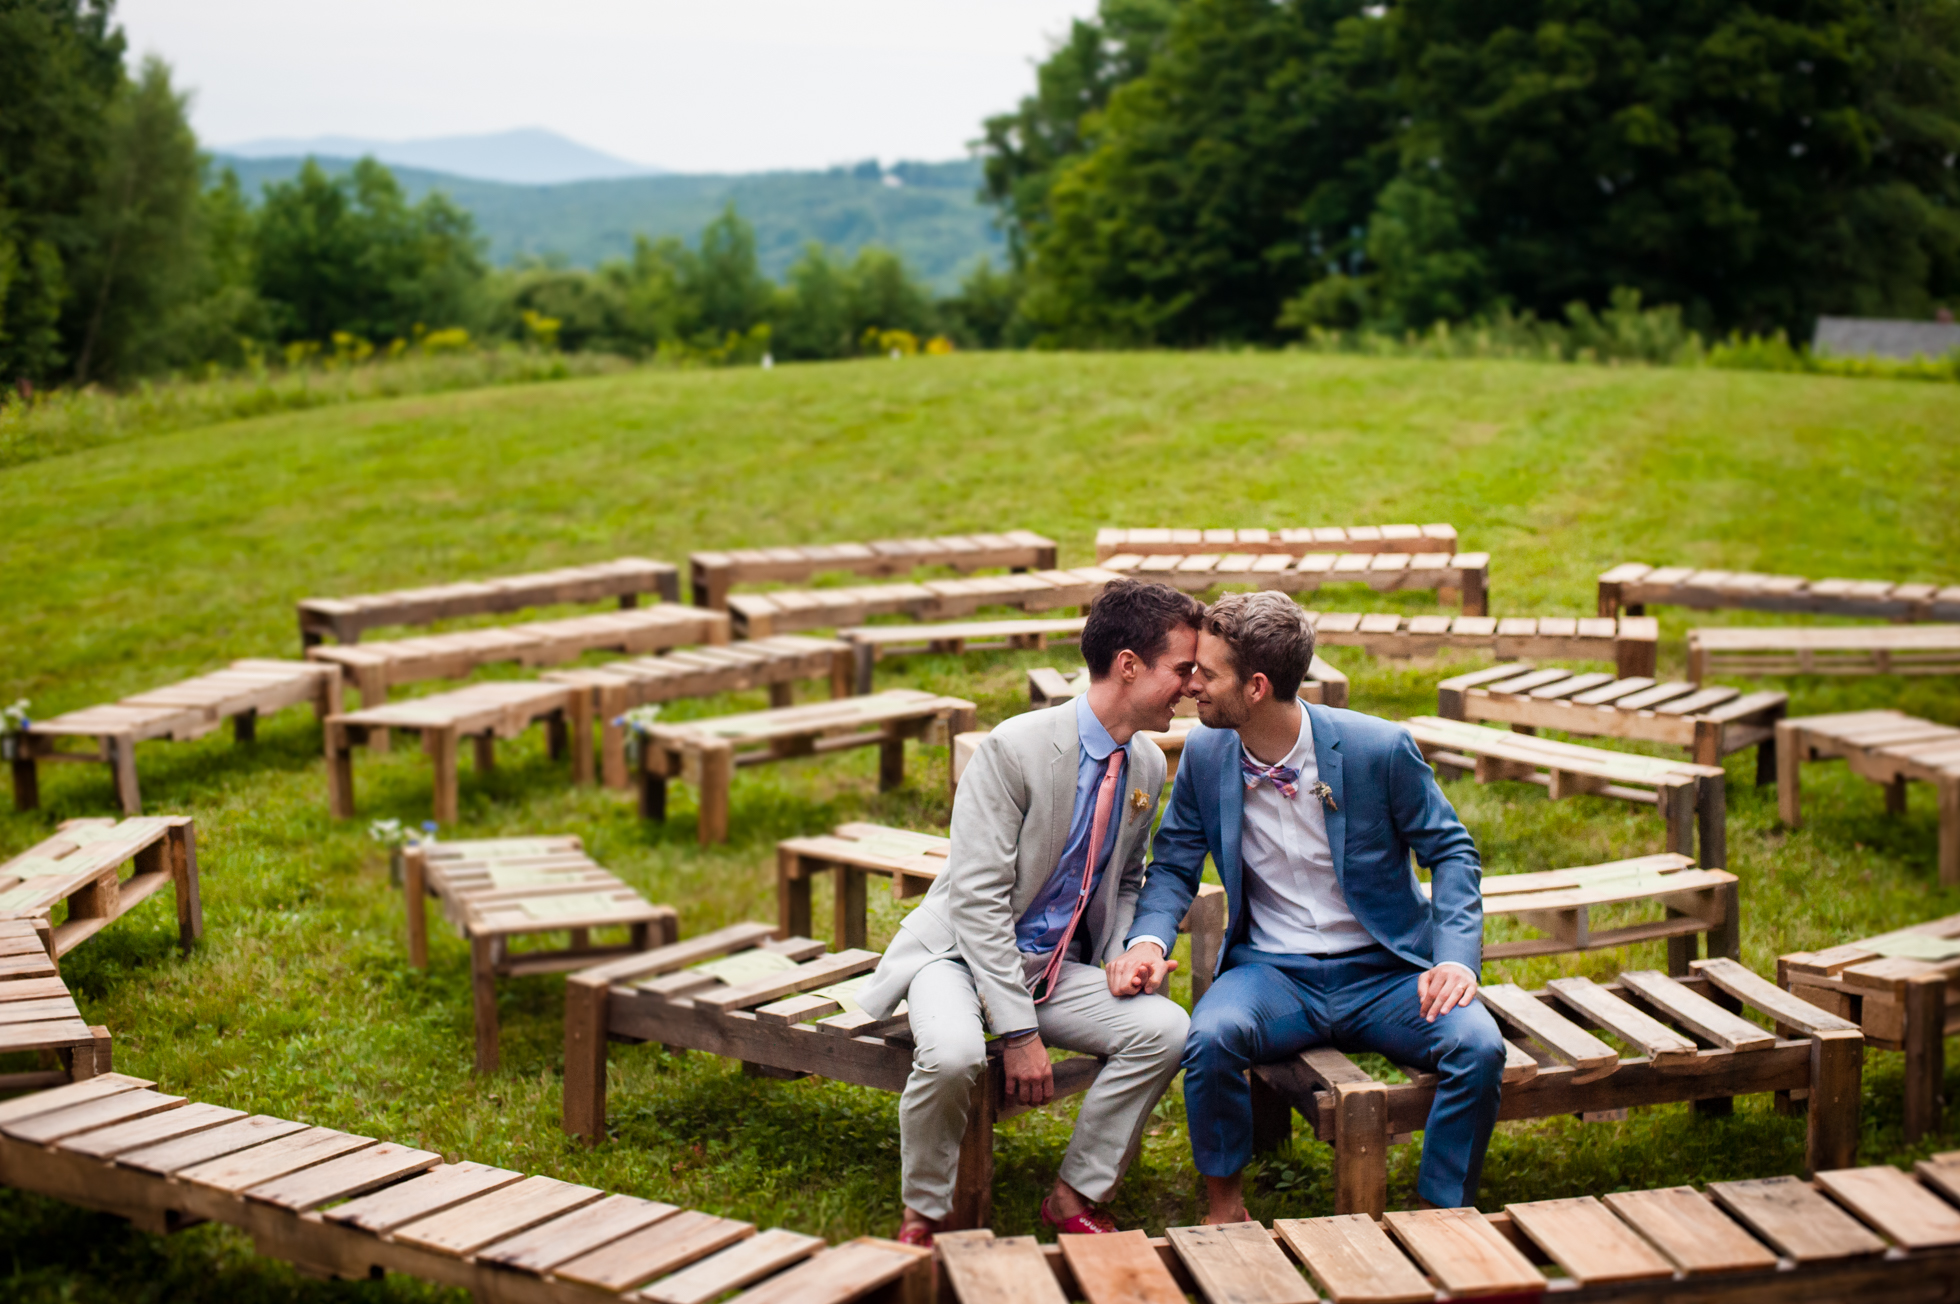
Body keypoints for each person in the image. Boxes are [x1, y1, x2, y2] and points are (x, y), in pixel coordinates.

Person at [1110, 591, 1503, 1222]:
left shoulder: (1379, 749)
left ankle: (1441, 1210)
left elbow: (1453, 852)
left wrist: (1457, 960)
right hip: (1273, 975)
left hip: (1388, 973)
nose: (1191, 686)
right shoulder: (1208, 755)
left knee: (1479, 1048)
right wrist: (1149, 942)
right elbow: (1176, 863)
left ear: (1257, 686)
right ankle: (1226, 1205)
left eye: (1207, 674)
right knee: (1208, 1038)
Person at [856, 579, 1203, 1246]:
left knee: (1163, 1028)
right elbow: (979, 901)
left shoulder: (1148, 765)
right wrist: (1018, 1035)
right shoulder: (1013, 748)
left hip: (1052, 968)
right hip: (959, 959)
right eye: (1182, 669)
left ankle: (1075, 1195)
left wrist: (1121, 955)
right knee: (956, 1054)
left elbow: (1127, 879)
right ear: (1129, 665)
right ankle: (923, 1213)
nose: (1190, 684)